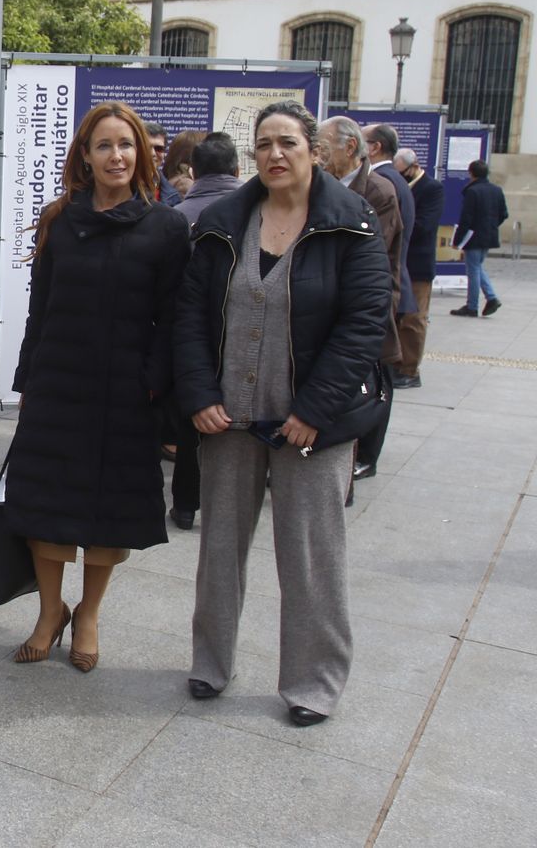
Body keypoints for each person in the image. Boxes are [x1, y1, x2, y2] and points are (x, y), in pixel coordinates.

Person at [174, 100, 391, 728]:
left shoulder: (352, 221)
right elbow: (189, 318)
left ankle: (313, 682)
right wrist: (199, 395)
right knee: (219, 549)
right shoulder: (221, 222)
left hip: (311, 425)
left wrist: (315, 409)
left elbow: (364, 323)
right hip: (229, 420)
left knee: (311, 557)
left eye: (288, 143)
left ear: (313, 152)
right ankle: (211, 663)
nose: (275, 154)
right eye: (264, 144)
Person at [4, 102, 189, 672]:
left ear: (143, 155)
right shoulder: (59, 218)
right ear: (84, 154)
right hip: (59, 383)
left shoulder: (166, 226)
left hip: (124, 392)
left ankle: (88, 615)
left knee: (111, 509)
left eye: (127, 144)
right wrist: (28, 377)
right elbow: (41, 306)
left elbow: (174, 316)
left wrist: (152, 383)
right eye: (104, 145)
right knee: (47, 505)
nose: (117, 156)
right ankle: (49, 611)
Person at [318, 117, 403, 495]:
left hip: (360, 308)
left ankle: (347, 477)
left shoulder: (378, 192)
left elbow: (371, 260)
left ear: (349, 148)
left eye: (323, 147)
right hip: (323, 307)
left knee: (357, 390)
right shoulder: (324, 185)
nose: (318, 156)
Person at [167, 132, 242, 530]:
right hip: (241, 336)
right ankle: (229, 508)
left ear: (193, 171)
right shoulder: (257, 215)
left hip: (190, 336)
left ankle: (184, 505)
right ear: (238, 169)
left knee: (190, 423)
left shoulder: (179, 217)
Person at [353, 124, 415, 482]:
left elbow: (379, 249)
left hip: (380, 297)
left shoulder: (382, 186)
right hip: (385, 292)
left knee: (376, 380)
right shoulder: (392, 181)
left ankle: (367, 455)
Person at [393, 148, 444, 387]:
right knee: (396, 317)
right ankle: (396, 364)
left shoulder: (431, 188)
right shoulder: (397, 183)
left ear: (413, 167)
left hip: (417, 263)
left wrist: (396, 224)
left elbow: (424, 225)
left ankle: (410, 370)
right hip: (398, 261)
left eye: (402, 171)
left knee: (414, 319)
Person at [450, 159, 509, 318]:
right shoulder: (496, 190)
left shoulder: (473, 191)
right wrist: (491, 225)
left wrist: (457, 240)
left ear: (471, 173)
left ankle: (472, 306)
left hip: (473, 236)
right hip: (489, 234)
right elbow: (504, 214)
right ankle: (491, 298)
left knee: (473, 270)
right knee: (477, 267)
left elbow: (466, 218)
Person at [145, 120, 184, 206]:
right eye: (146, 147)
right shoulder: (122, 190)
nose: (152, 154)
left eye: (158, 148)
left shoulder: (174, 196)